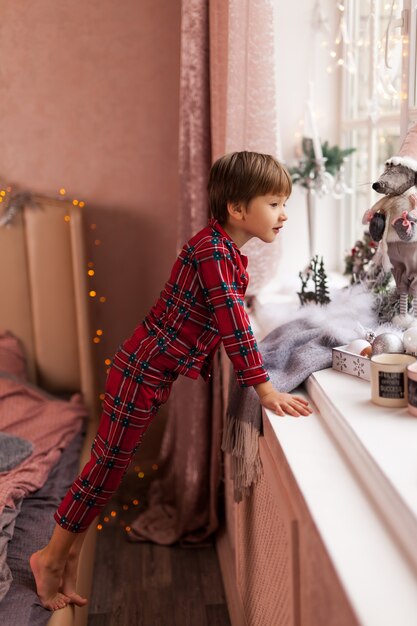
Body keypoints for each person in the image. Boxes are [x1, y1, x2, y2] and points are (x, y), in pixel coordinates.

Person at [30, 150, 312, 610]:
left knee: (110, 469)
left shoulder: (223, 252)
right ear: (239, 210)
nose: (284, 214)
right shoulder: (211, 252)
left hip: (148, 374)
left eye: (285, 203)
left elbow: (233, 320)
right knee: (104, 469)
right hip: (139, 372)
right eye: (275, 203)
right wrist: (264, 388)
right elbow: (233, 326)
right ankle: (50, 556)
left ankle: (69, 552)